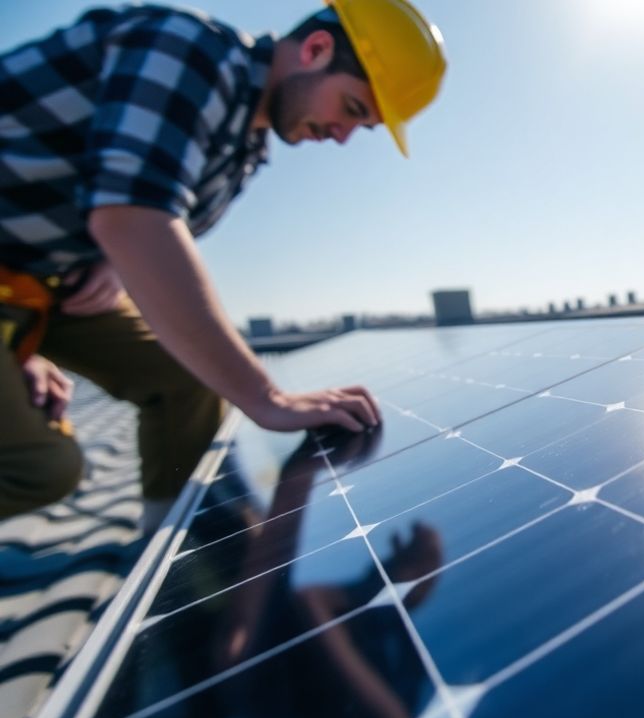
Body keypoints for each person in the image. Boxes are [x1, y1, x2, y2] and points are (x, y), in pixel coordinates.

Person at [0, 0, 447, 519]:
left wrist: (109, 261)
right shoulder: (190, 50)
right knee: (41, 468)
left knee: (192, 379)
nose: (343, 136)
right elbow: (133, 216)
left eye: (362, 126)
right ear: (316, 50)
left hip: (40, 287)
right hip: (21, 283)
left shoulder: (245, 149)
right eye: (351, 108)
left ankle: (192, 570)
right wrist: (267, 397)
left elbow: (126, 220)